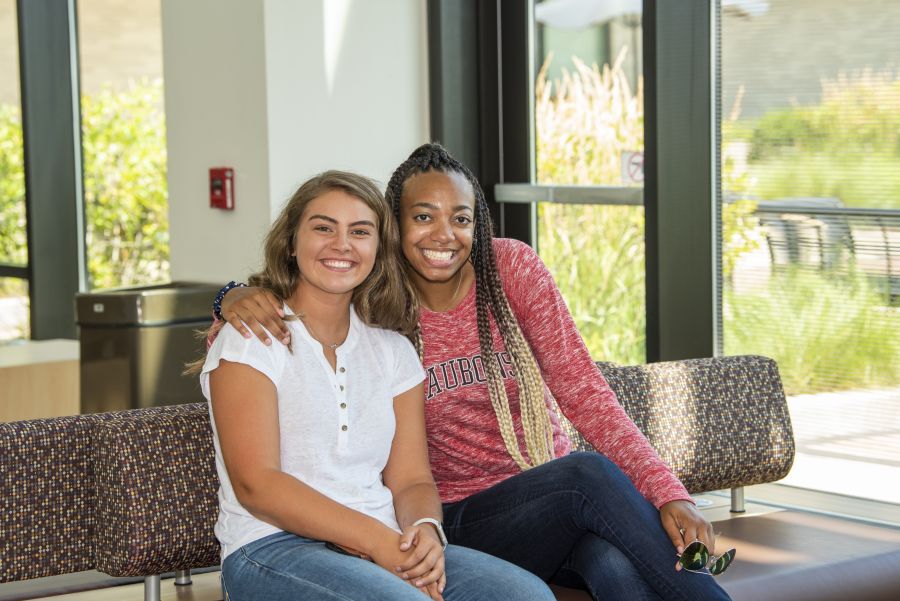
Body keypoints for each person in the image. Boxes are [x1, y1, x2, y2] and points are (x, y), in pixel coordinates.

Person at [215, 146, 734, 601]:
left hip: (543, 503)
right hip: (461, 516)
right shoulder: (381, 307)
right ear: (394, 230)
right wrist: (229, 298)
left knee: (614, 562)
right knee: (585, 474)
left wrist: (669, 493)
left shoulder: (508, 271)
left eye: (460, 218)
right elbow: (307, 290)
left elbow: (585, 391)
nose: (444, 234)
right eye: (423, 217)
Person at [196, 170, 555, 601]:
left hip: (386, 538)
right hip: (273, 547)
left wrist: (425, 531)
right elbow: (258, 485)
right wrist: (376, 543)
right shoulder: (251, 339)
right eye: (323, 228)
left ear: (378, 249)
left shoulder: (393, 350)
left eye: (360, 232)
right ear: (292, 242)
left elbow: (411, 480)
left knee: (526, 595)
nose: (342, 245)